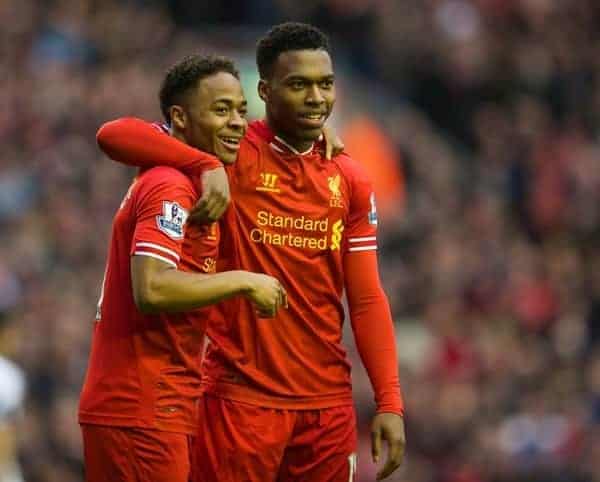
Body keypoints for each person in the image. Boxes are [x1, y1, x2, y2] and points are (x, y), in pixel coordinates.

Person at [97, 22, 406, 481]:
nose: (316, 98)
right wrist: (201, 163)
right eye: (299, 85)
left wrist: (390, 401)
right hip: (238, 400)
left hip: (327, 408)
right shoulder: (232, 151)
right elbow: (114, 134)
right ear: (264, 89)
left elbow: (365, 298)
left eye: (325, 85)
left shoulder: (351, 179)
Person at [78, 55, 287, 482]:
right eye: (221, 110)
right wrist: (244, 283)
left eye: (241, 110)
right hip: (142, 406)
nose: (236, 123)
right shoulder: (171, 184)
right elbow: (151, 289)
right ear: (180, 118)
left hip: (157, 404)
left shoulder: (187, 169)